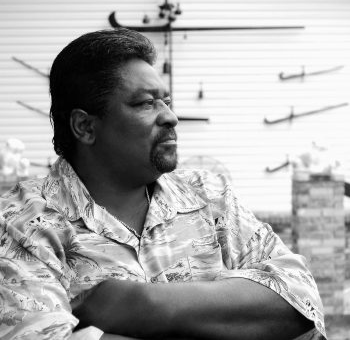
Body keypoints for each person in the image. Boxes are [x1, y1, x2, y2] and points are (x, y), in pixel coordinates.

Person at [0, 28, 326, 340]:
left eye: (166, 101)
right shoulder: (22, 222)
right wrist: (223, 318)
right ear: (84, 126)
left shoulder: (210, 198)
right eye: (146, 103)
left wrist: (143, 304)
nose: (170, 116)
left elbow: (300, 300)